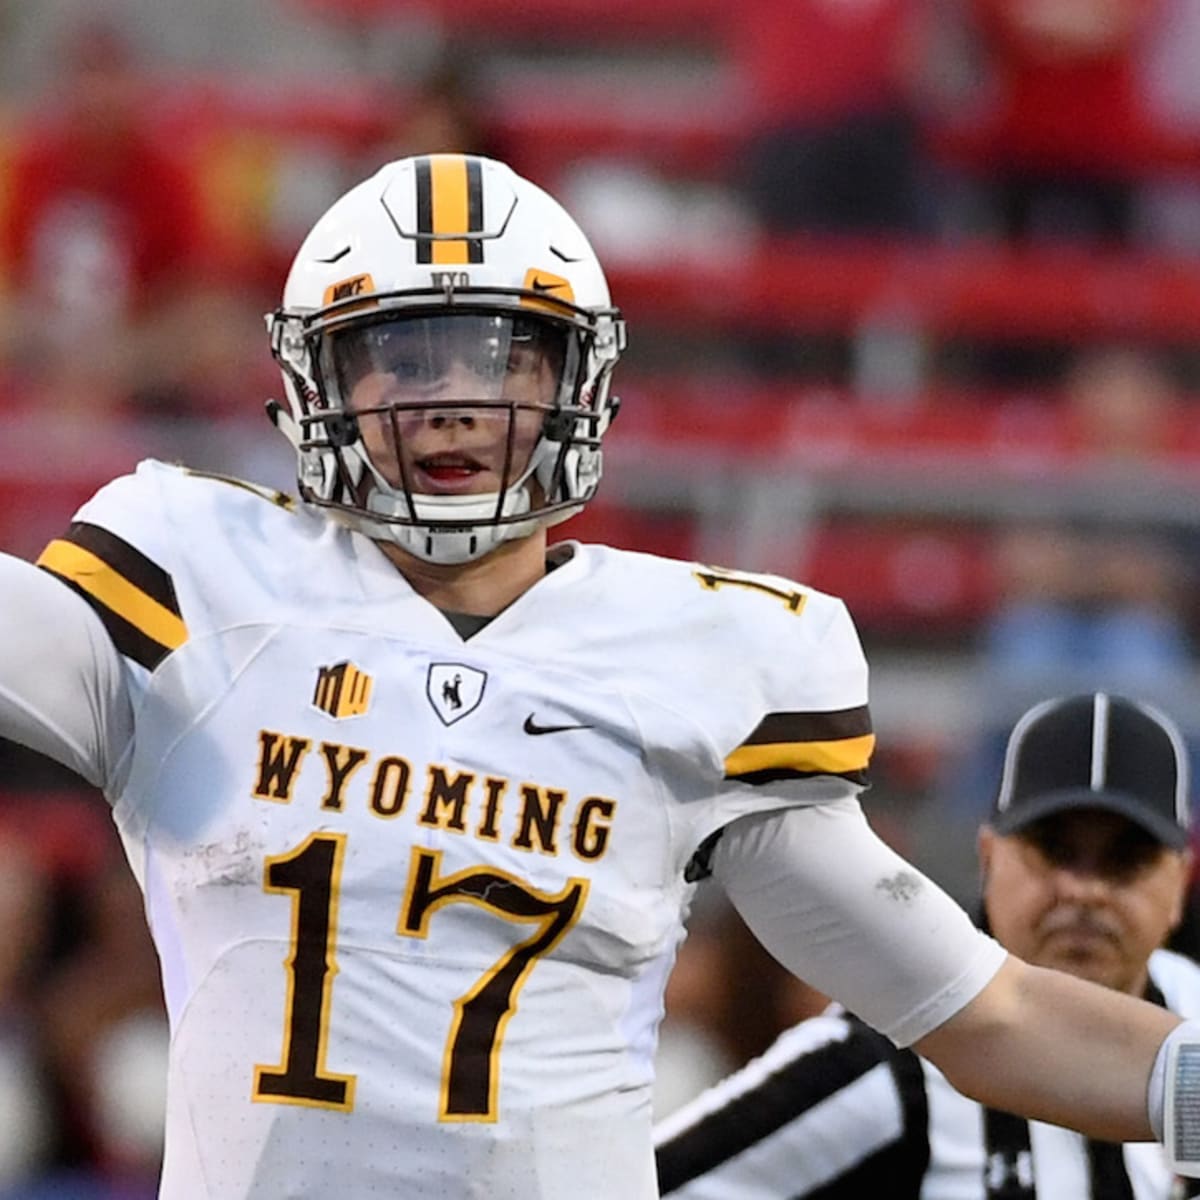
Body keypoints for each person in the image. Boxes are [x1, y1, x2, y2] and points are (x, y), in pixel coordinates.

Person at [1, 153, 1200, 1200]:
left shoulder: (696, 664)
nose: (450, 402)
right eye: (400, 358)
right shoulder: (200, 580)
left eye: (499, 355)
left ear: (574, 380)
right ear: (324, 386)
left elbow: (983, 1012)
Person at [655, 691, 1200, 1199]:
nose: (1084, 890)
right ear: (988, 858)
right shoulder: (894, 1059)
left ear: (1180, 881)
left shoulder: (1193, 1017)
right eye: (1052, 850)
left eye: (1126, 858)